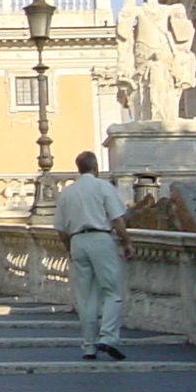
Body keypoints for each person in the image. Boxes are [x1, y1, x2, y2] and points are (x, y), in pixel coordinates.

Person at [53, 152, 131, 361]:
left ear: (78, 168)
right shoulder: (103, 187)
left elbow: (60, 229)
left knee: (86, 297)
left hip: (77, 241)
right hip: (100, 238)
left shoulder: (67, 193)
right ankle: (107, 336)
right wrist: (126, 241)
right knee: (112, 290)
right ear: (95, 166)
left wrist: (70, 247)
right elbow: (117, 219)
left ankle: (89, 346)